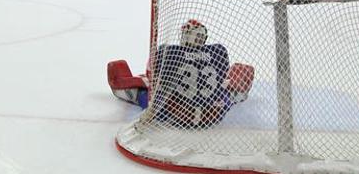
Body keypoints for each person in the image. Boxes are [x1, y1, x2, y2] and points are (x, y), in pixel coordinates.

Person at [106, 19, 255, 128]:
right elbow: (221, 78)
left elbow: (155, 79)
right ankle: (235, 96)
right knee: (224, 95)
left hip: (178, 114)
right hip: (213, 115)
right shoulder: (218, 51)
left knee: (151, 95)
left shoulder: (170, 52)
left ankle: (134, 95)